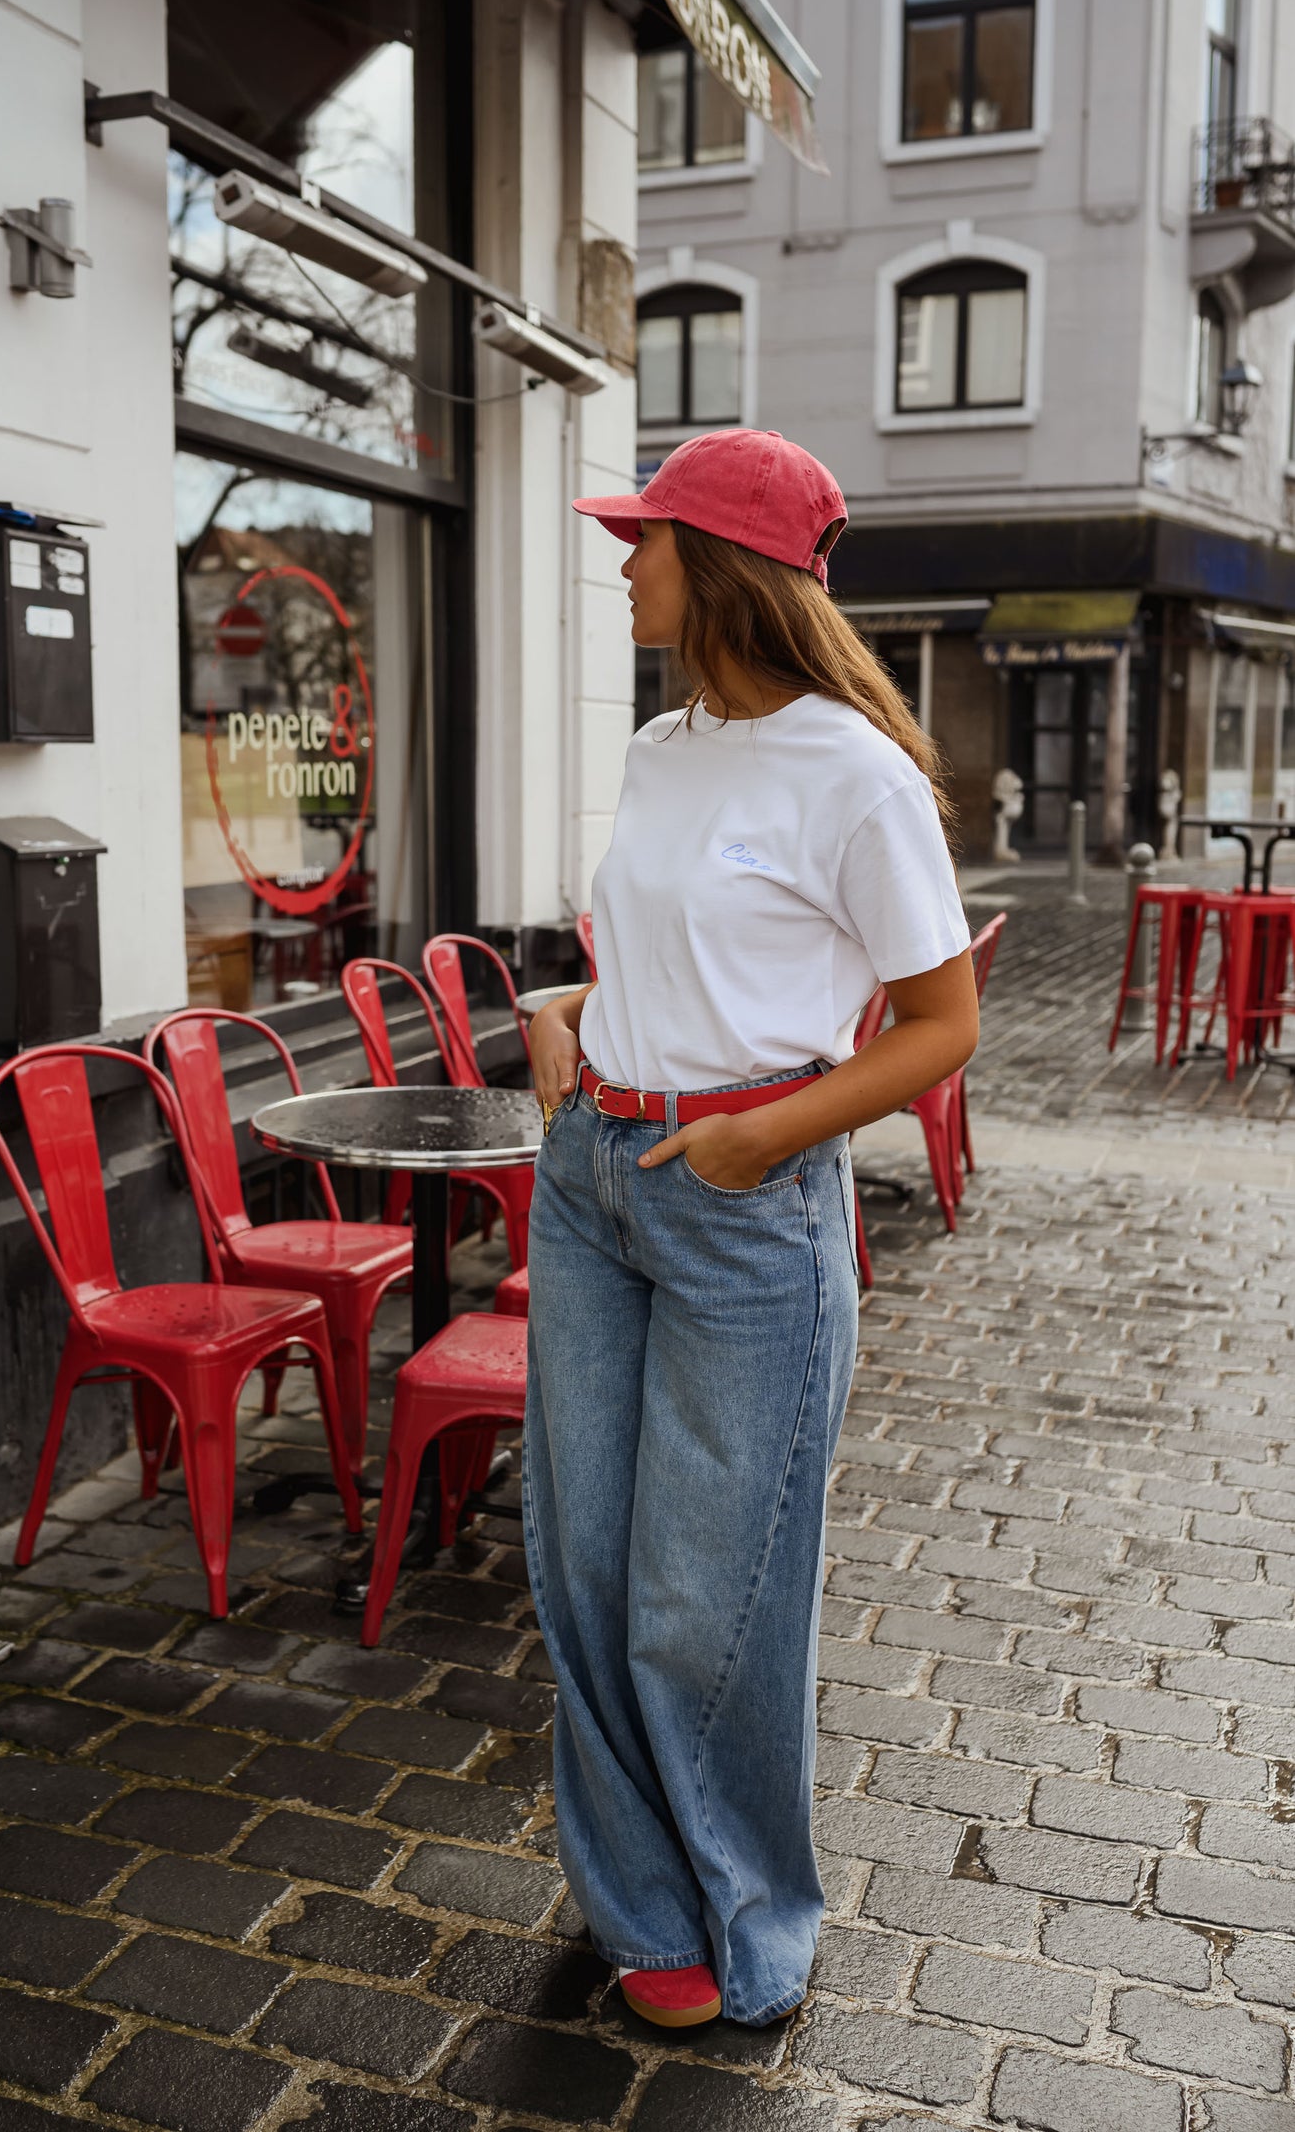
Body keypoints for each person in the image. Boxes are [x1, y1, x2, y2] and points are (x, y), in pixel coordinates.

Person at [523, 429, 977, 2031]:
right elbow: (672, 949)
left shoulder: (855, 773)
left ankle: (750, 1919)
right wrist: (572, 1011)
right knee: (584, 1571)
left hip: (742, 1205)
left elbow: (940, 1027)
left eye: (643, 538)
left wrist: (751, 1140)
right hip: (591, 1177)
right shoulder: (663, 746)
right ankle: (640, 1903)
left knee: (705, 1597)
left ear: (718, 565)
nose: (621, 562)